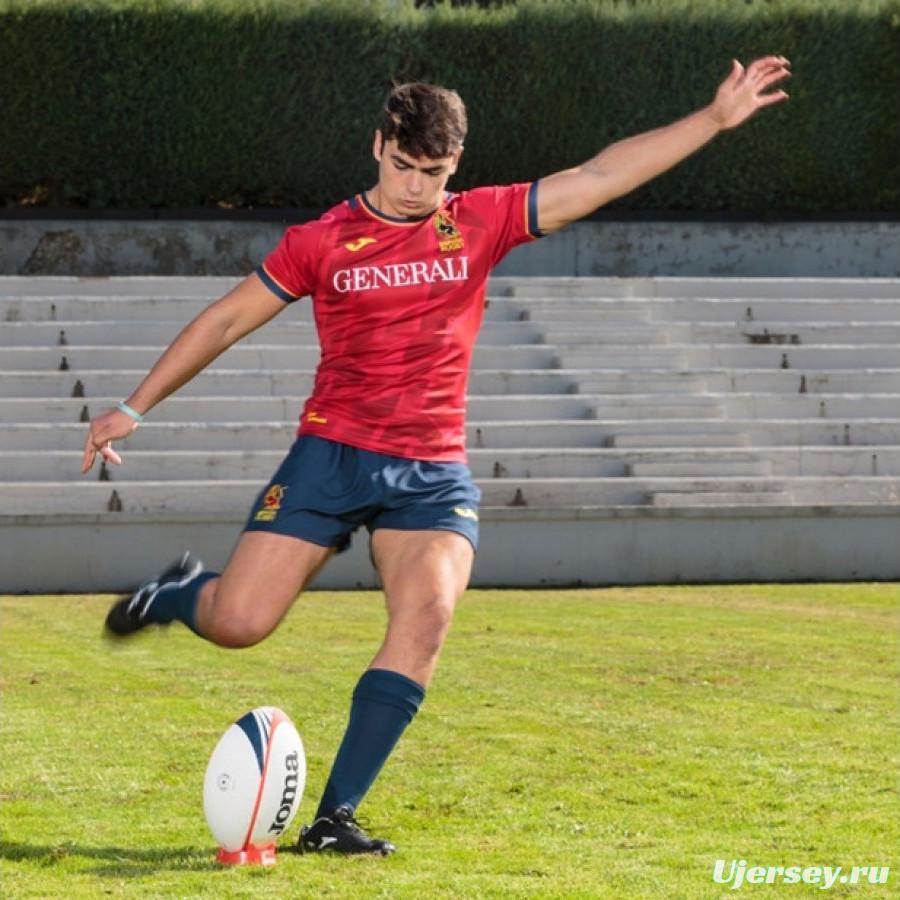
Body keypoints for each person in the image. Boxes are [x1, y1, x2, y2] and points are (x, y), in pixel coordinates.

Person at [82, 57, 790, 855]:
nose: (416, 186)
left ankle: (334, 818)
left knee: (428, 618)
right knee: (239, 624)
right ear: (377, 145)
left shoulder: (481, 220)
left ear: (456, 164)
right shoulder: (321, 240)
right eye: (403, 166)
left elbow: (599, 175)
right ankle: (178, 594)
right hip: (331, 455)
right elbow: (223, 320)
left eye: (434, 172)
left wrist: (713, 119)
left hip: (430, 471)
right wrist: (132, 407)